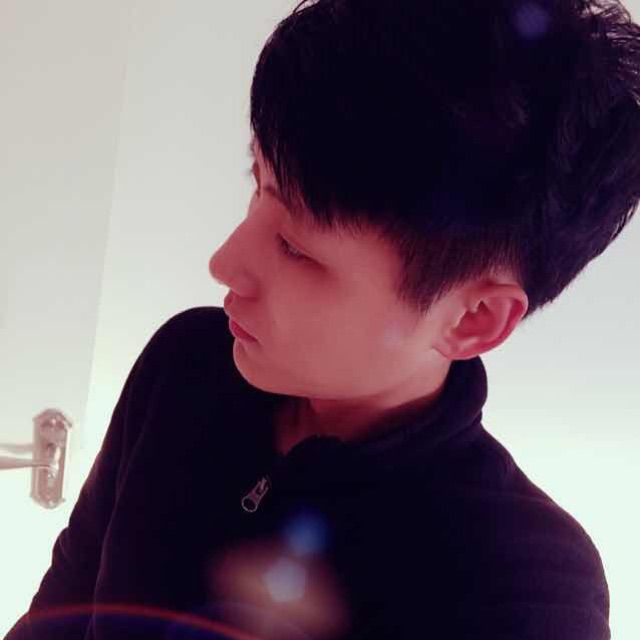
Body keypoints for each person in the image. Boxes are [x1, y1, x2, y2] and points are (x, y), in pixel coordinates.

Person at [6, 0, 640, 637]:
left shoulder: (524, 590)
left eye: (296, 249)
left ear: (473, 318)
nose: (224, 263)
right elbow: (57, 613)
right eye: (258, 183)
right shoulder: (186, 363)